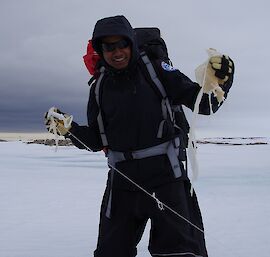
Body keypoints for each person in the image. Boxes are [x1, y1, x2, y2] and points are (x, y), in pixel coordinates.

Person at [45, 15, 234, 257]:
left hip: (166, 178)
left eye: (122, 44)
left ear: (131, 43)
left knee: (179, 253)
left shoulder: (157, 70)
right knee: (111, 253)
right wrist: (69, 129)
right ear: (100, 50)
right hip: (122, 182)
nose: (117, 52)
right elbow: (96, 140)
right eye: (109, 47)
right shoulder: (99, 88)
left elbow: (205, 104)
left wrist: (219, 82)